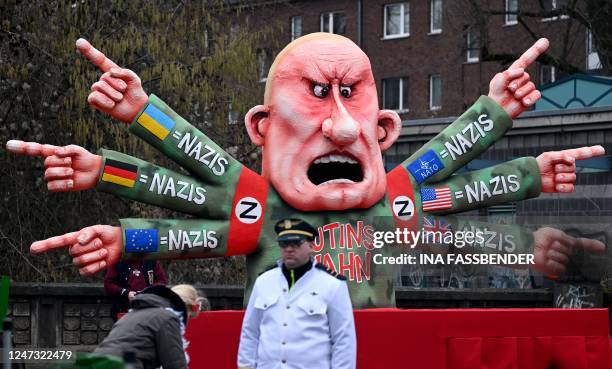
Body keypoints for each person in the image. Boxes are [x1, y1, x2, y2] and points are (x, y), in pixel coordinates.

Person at [237, 218, 356, 369]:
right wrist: (245, 366)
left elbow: (343, 339)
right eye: (284, 244)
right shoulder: (264, 281)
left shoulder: (332, 284)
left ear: (311, 246)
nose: (289, 249)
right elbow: (250, 331)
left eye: (296, 243)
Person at [94, 284, 201, 369]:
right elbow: (174, 364)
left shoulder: (134, 314)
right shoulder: (167, 317)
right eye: (189, 317)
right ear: (186, 309)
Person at [104, 260, 168, 321]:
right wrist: (126, 293)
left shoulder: (151, 260)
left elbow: (162, 281)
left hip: (148, 308)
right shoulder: (118, 261)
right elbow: (108, 284)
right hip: (123, 309)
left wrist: (147, 292)